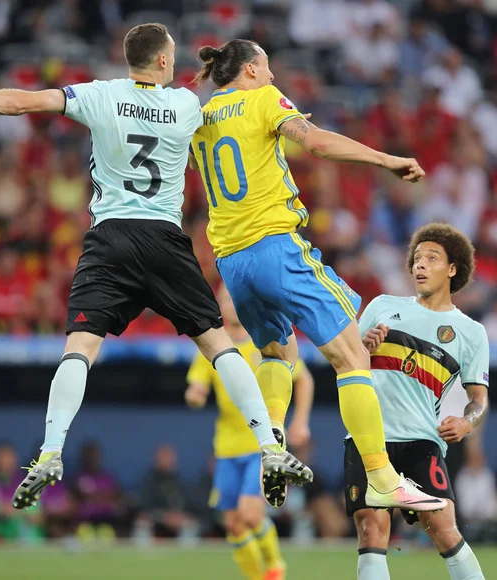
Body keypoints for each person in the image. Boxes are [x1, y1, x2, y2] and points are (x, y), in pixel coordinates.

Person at [0, 23, 310, 510]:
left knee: (79, 348)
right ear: (163, 62)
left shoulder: (99, 95)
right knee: (220, 345)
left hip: (110, 239)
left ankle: (51, 451)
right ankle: (269, 445)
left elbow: (21, 102)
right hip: (164, 238)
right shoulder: (185, 105)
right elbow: (233, 114)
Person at [189, 39, 445, 512]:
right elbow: (317, 141)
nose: (271, 75)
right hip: (274, 246)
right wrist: (387, 160)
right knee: (352, 359)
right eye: (266, 66)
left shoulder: (199, 117)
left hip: (230, 260)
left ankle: (271, 446)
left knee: (275, 351)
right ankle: (383, 477)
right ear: (248, 69)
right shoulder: (261, 98)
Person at [345, 223, 488, 580]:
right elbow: (346, 364)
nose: (419, 265)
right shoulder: (381, 306)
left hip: (423, 441)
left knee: (444, 531)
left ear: (453, 269)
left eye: (432, 257)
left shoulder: (470, 331)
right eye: (416, 258)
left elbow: (479, 399)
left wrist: (467, 422)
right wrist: (364, 349)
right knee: (372, 532)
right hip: (368, 439)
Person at [185, 285, 314, 580]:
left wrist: (300, 422)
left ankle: (275, 569)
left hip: (262, 447)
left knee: (251, 515)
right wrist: (196, 392)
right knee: (232, 523)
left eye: (233, 297)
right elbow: (198, 382)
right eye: (223, 299)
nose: (228, 304)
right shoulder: (212, 344)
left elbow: (303, 378)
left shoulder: (264, 340)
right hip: (227, 447)